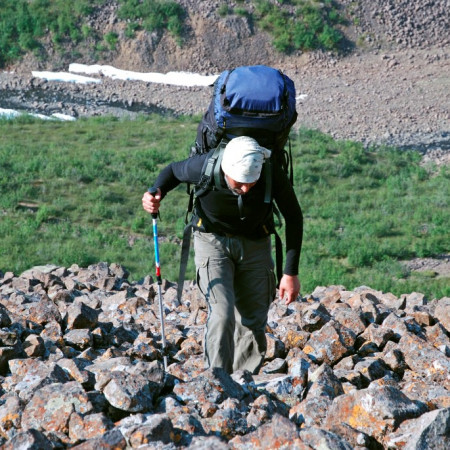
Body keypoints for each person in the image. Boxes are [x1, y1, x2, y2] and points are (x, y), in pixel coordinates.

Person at [142, 136, 303, 374]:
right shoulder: (206, 165)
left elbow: (294, 216)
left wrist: (290, 273)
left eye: (252, 182)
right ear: (226, 171)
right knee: (222, 312)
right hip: (211, 239)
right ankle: (218, 382)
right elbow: (173, 171)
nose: (246, 189)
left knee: (253, 318)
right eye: (240, 182)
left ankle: (245, 381)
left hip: (256, 241)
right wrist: (155, 192)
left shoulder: (269, 171)